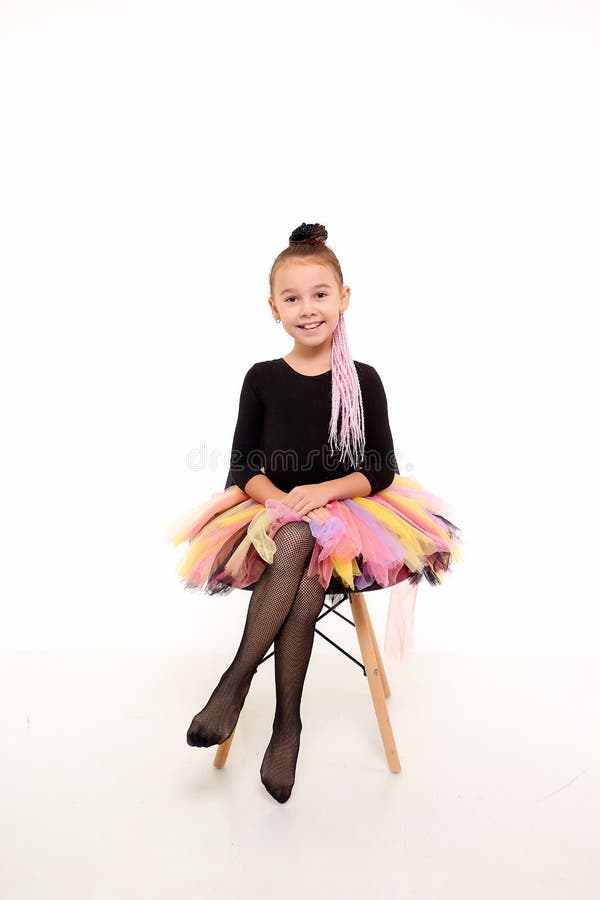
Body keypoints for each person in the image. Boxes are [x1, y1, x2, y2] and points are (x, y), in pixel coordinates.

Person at [168, 222, 461, 803]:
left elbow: (381, 467)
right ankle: (286, 725)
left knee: (305, 551)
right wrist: (278, 500)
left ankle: (237, 680)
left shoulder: (363, 380)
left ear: (344, 299)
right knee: (298, 545)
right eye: (292, 298)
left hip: (350, 516)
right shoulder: (263, 378)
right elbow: (241, 466)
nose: (308, 309)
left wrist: (325, 492)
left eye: (320, 294)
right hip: (271, 513)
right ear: (273, 307)